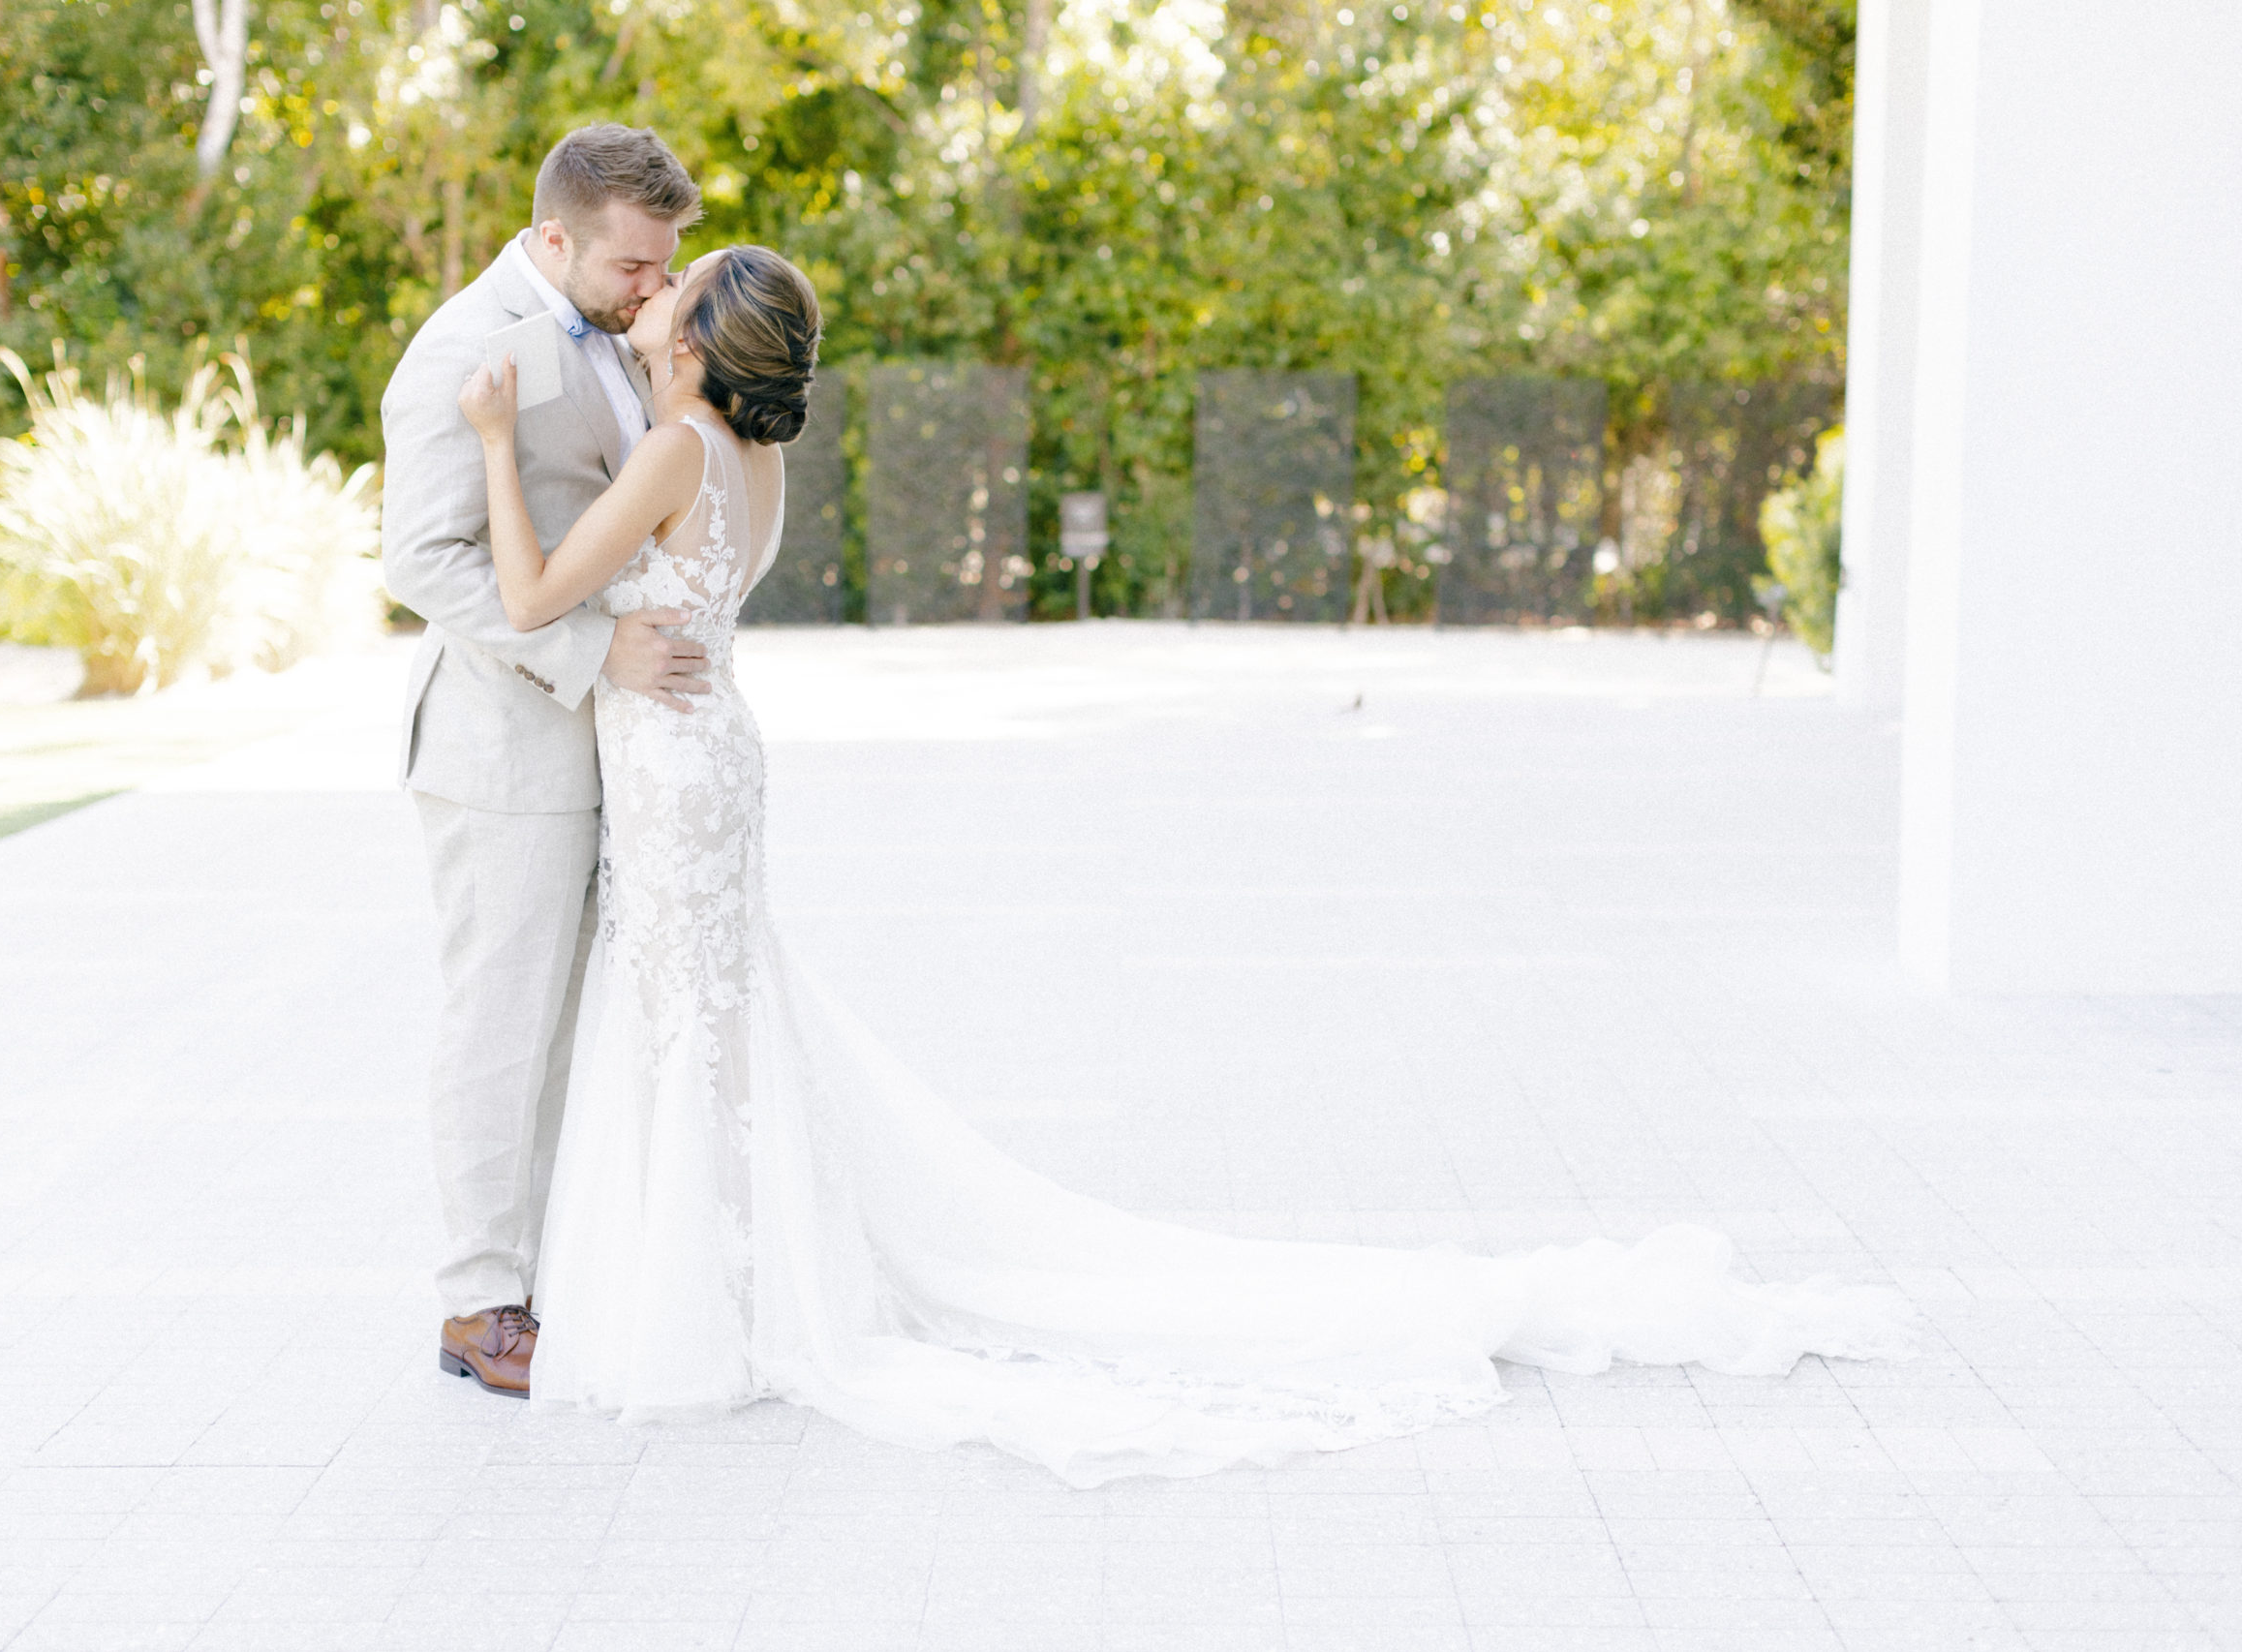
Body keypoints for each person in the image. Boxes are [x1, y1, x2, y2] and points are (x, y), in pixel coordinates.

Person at [454, 246, 1920, 1488]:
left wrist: (486, 443)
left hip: (677, 765)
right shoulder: (747, 456)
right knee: (707, 1023)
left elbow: (525, 594)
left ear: (702, 342)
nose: (648, 297)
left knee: (684, 1023)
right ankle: (727, 1276)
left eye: (675, 289)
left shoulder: (665, 449)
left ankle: (706, 1302)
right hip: (708, 762)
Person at [380, 124, 711, 1398]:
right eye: (634, 266)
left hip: (604, 756)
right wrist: (592, 656)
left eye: (663, 264)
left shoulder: (617, 331)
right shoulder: (467, 350)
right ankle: (477, 1306)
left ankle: (550, 1272)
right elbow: (421, 560)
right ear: (556, 237)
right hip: (500, 754)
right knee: (500, 1029)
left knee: (573, 1032)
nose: (652, 290)